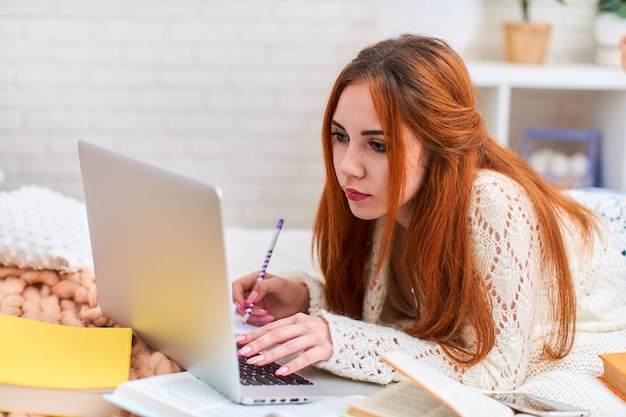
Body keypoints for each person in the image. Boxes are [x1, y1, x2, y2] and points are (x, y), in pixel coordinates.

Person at [232, 34, 626, 414]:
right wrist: (306, 297)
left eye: (379, 144)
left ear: (437, 143)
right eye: (340, 136)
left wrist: (343, 340)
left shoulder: (494, 202)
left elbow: (497, 371)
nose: (347, 167)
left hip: (608, 238)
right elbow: (382, 310)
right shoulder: (379, 195)